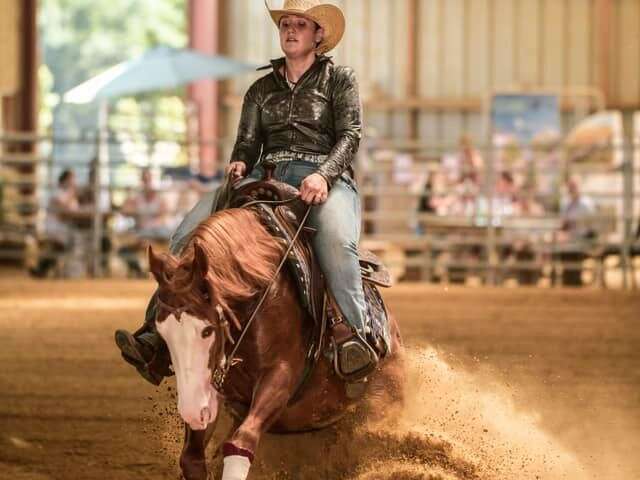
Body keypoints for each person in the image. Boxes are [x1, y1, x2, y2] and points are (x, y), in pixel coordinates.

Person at [114, 0, 378, 385]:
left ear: (318, 35)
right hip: (263, 174)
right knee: (187, 234)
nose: (289, 30)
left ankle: (353, 336)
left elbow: (350, 135)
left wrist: (323, 175)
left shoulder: (339, 81)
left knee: (337, 241)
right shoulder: (259, 89)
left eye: (299, 25)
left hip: (322, 178)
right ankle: (155, 332)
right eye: (285, 24)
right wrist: (239, 161)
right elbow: (247, 143)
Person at [117, 168, 171, 276]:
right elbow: (124, 211)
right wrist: (129, 196)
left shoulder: (160, 199)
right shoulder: (136, 198)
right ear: (141, 181)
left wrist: (150, 225)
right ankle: (139, 270)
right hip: (141, 233)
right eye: (145, 180)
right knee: (124, 248)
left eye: (149, 179)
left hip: (156, 233)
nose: (147, 183)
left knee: (156, 240)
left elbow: (164, 217)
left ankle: (157, 268)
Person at [30, 170, 81, 277]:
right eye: (71, 179)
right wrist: (72, 194)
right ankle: (44, 268)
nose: (74, 182)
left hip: (66, 229)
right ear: (63, 180)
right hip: (54, 228)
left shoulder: (72, 197)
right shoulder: (57, 193)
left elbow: (73, 212)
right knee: (60, 243)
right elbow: (62, 214)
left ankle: (44, 269)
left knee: (74, 240)